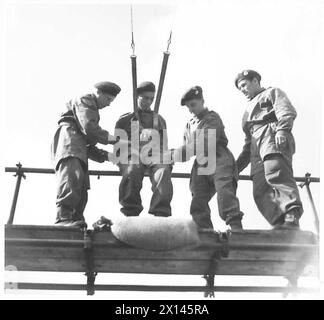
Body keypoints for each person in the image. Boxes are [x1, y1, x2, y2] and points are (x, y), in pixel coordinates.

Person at [158, 86, 243, 230]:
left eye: (193, 105)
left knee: (225, 193)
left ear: (202, 101)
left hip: (218, 159)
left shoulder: (212, 118)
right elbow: (187, 148)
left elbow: (203, 143)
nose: (191, 109)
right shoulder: (189, 125)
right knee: (197, 199)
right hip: (201, 164)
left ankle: (236, 228)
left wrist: (173, 155)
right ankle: (205, 231)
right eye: (188, 107)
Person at [235, 69, 303, 229]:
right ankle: (279, 223)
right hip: (255, 147)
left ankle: (291, 216)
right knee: (259, 188)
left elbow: (286, 111)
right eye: (240, 88)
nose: (243, 90)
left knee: (277, 175)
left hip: (271, 136)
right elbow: (247, 143)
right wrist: (236, 167)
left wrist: (282, 130)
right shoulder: (247, 112)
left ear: (255, 81)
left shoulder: (272, 92)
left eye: (244, 85)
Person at [51, 81, 121, 227]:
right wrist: (115, 140)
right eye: (108, 99)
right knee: (71, 179)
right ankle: (63, 219)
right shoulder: (85, 100)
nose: (109, 104)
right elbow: (90, 128)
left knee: (81, 185)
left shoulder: (89, 112)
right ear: (98, 93)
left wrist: (110, 157)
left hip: (78, 146)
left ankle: (75, 219)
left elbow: (89, 145)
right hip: (69, 142)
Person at [114, 81, 173, 217]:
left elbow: (164, 145)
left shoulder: (159, 120)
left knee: (163, 171)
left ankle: (161, 212)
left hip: (154, 156)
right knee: (132, 170)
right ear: (137, 97)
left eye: (151, 99)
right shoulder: (125, 120)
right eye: (145, 97)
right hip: (132, 155)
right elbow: (118, 147)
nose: (149, 101)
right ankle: (131, 211)